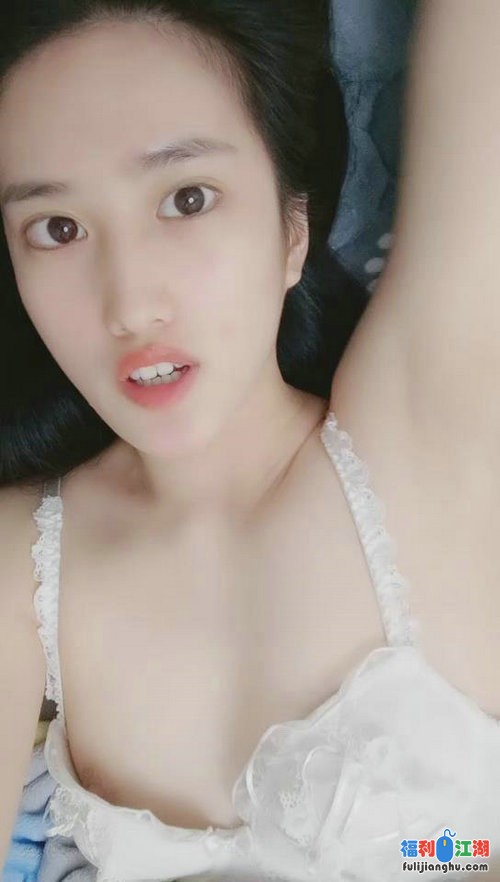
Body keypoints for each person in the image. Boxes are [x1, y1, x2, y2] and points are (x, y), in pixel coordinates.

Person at [0, 1, 498, 879]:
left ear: (292, 228)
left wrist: (452, 858)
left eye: (186, 199)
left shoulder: (420, 435)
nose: (129, 304)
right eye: (58, 229)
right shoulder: (21, 561)